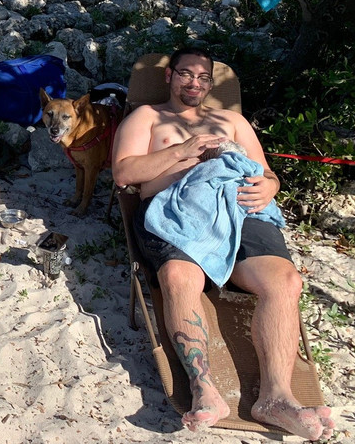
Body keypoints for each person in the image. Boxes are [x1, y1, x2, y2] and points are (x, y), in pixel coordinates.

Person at [111, 47, 334, 440]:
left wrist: (270, 186)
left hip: (240, 211)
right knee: (179, 276)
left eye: (202, 78)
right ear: (169, 76)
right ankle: (205, 389)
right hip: (178, 212)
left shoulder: (232, 120)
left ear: (211, 84)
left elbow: (266, 172)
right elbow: (124, 173)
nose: (193, 83)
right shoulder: (145, 117)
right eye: (185, 74)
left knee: (285, 282)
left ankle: (276, 397)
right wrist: (182, 151)